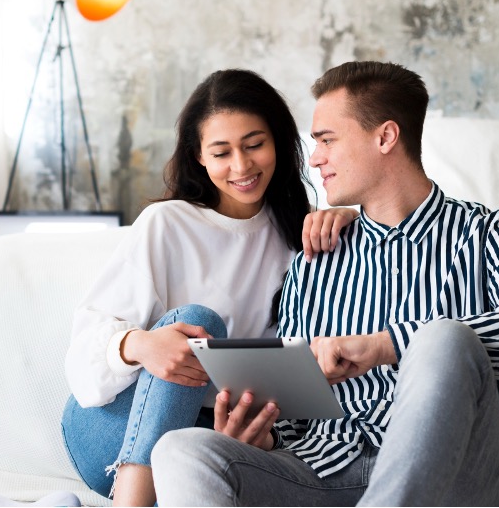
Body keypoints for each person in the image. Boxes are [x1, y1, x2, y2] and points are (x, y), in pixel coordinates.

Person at [151, 61, 499, 507]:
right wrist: (263, 433)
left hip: (456, 475)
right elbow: (294, 404)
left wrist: (385, 345)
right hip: (327, 470)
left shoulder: (487, 231)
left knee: (444, 338)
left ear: (385, 137)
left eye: (327, 140)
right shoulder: (314, 258)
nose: (314, 158)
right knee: (182, 450)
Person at [61, 68, 359, 507]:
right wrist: (140, 345)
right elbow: (84, 348)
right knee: (198, 324)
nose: (242, 166)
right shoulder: (168, 224)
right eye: (222, 153)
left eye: (255, 145)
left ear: (278, 141)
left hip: (209, 433)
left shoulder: (305, 233)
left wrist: (354, 219)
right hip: (114, 426)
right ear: (199, 157)